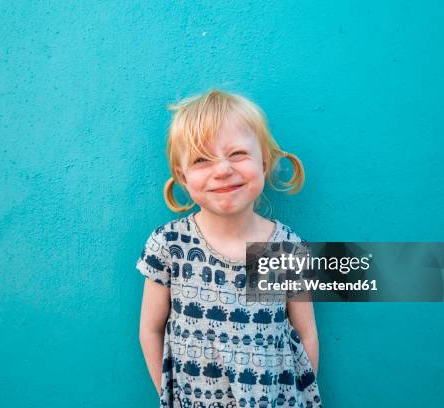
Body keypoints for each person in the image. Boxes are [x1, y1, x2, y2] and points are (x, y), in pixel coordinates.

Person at [137, 89, 321, 408]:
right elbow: (150, 330)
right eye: (201, 160)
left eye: (237, 154)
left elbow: (306, 336)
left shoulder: (282, 248)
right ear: (182, 176)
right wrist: (168, 396)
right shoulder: (169, 245)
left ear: (264, 162)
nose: (222, 169)